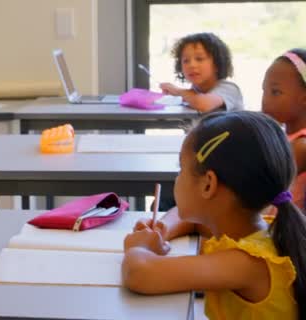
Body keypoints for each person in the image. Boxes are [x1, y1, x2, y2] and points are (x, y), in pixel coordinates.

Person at [122, 111, 304, 319]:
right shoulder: (251, 228)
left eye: (181, 168)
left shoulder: (246, 263)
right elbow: (189, 221)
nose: (177, 177)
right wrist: (162, 229)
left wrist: (138, 247)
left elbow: (139, 274)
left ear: (208, 184)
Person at [262, 48, 306, 211]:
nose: (265, 100)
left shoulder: (301, 145)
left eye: (275, 92)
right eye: (264, 91)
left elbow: (262, 188)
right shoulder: (282, 135)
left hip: (281, 229)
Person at [160, 32, 244, 112]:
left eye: (199, 59)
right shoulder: (194, 91)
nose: (191, 65)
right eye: (186, 61)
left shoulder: (229, 89)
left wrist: (177, 91)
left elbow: (203, 104)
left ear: (217, 63)